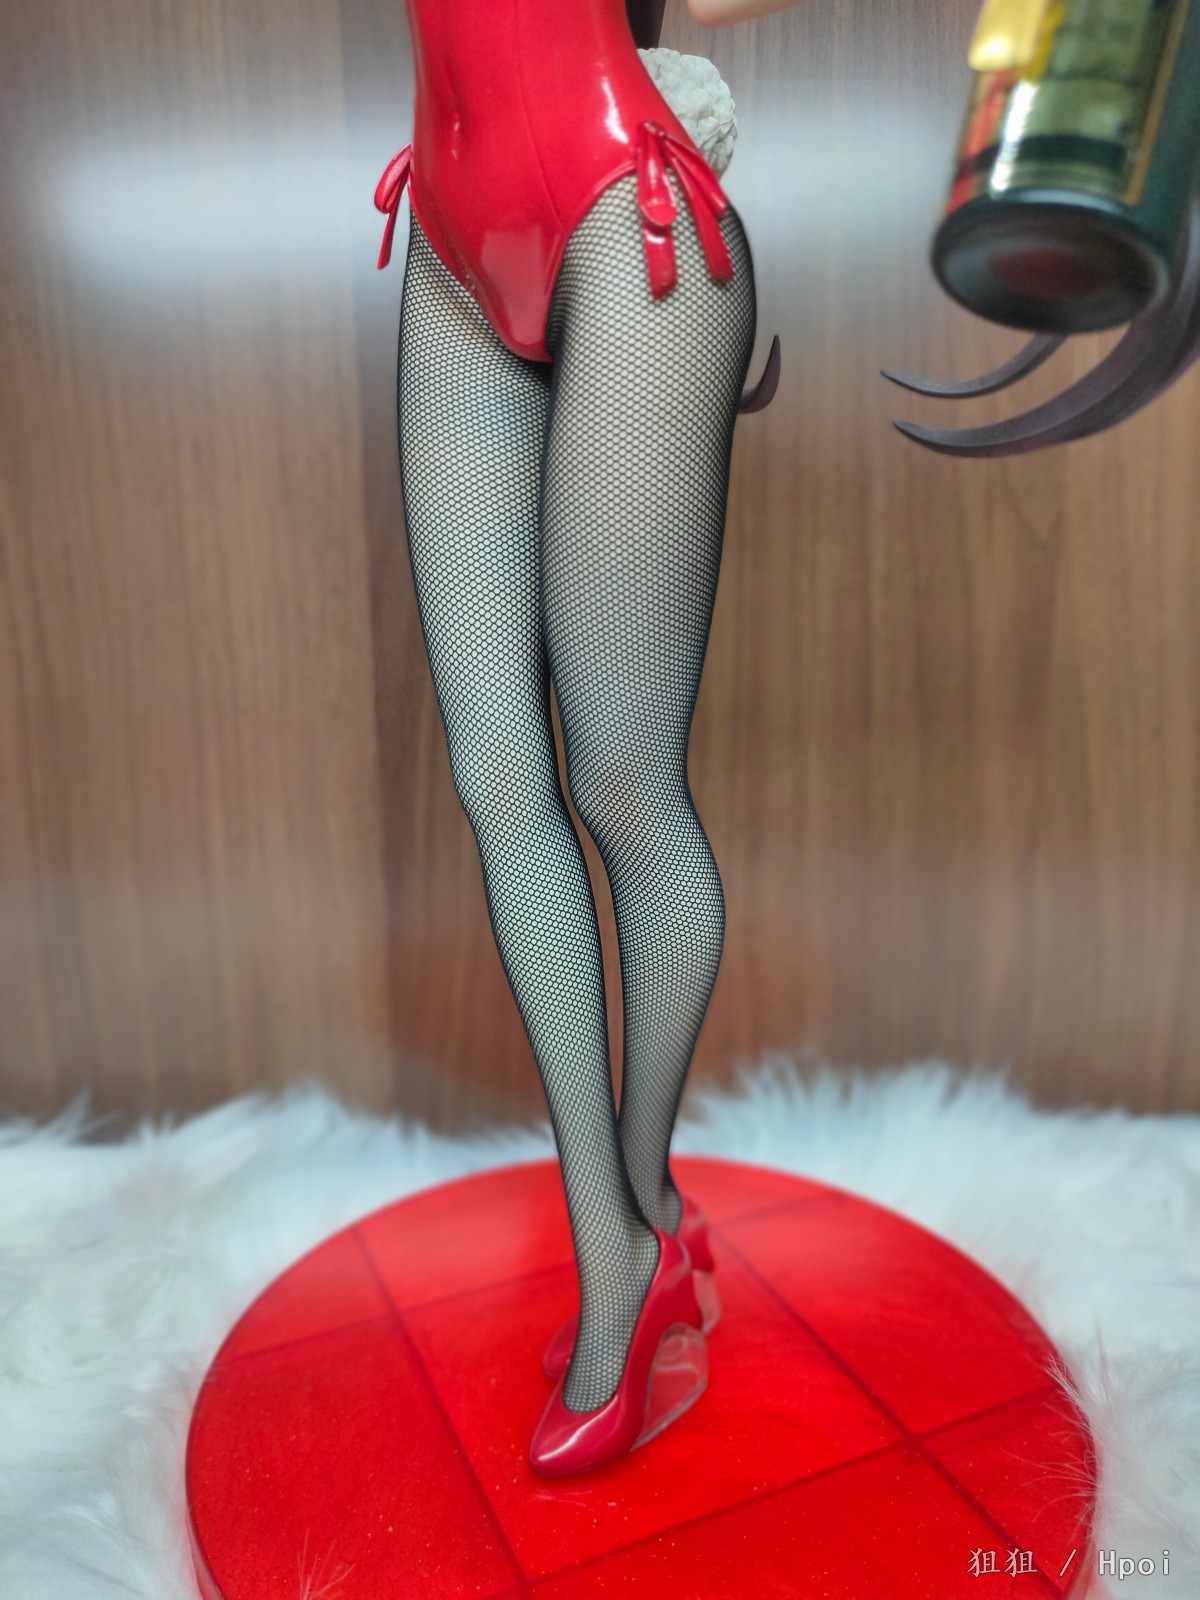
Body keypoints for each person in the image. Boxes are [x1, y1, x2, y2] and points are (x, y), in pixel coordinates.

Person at [375, 0, 791, 1477]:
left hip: (635, 212)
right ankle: (614, 1249)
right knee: (494, 771)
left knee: (622, 781)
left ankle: (645, 1208)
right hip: (452, 232)